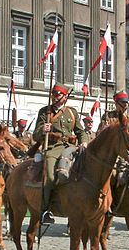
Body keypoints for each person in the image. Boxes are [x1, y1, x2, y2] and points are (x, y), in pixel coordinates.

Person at [33, 82, 88, 224]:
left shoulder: (72, 112)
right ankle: (45, 210)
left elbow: (80, 131)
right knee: (50, 176)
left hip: (71, 147)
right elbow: (35, 135)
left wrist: (84, 142)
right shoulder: (45, 112)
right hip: (52, 148)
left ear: (65, 97)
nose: (55, 97)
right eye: (53, 94)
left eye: (58, 94)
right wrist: (43, 130)